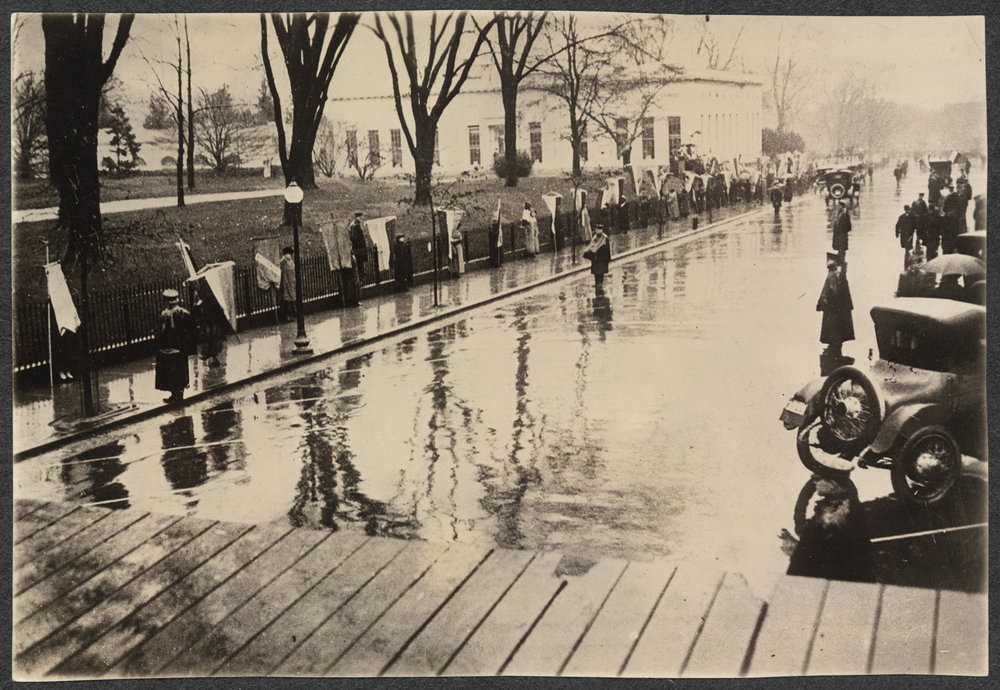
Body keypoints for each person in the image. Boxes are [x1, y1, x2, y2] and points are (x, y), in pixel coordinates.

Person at [155, 289, 196, 403]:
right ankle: (179, 393)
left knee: (170, 370)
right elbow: (190, 331)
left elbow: (162, 332)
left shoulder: (165, 314)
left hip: (169, 347)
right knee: (181, 369)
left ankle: (174, 394)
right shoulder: (184, 312)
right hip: (181, 347)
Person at [817, 253, 854, 358]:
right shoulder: (837, 274)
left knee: (833, 326)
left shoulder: (833, 275)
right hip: (838, 306)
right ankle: (835, 345)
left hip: (833, 306)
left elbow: (833, 290)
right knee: (837, 326)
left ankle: (834, 347)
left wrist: (825, 300)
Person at [583, 224, 611, 289]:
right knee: (596, 270)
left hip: (601, 257)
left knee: (601, 270)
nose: (597, 231)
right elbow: (591, 245)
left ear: (601, 230)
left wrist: (606, 258)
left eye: (598, 229)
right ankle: (596, 283)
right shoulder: (595, 237)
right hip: (595, 256)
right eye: (596, 229)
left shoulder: (604, 237)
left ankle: (600, 283)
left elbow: (607, 249)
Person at [349, 211, 369, 279]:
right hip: (358, 247)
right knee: (359, 262)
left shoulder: (354, 224)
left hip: (357, 247)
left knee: (360, 262)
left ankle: (361, 274)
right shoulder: (356, 225)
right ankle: (361, 276)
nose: (363, 218)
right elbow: (356, 237)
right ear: (359, 217)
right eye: (362, 216)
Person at [278, 246, 296, 322]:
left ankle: (292, 315)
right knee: (286, 300)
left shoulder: (291, 262)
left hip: (291, 283)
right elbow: (278, 264)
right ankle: (287, 316)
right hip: (285, 283)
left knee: (292, 299)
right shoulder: (283, 262)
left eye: (290, 253)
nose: (289, 255)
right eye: (287, 253)